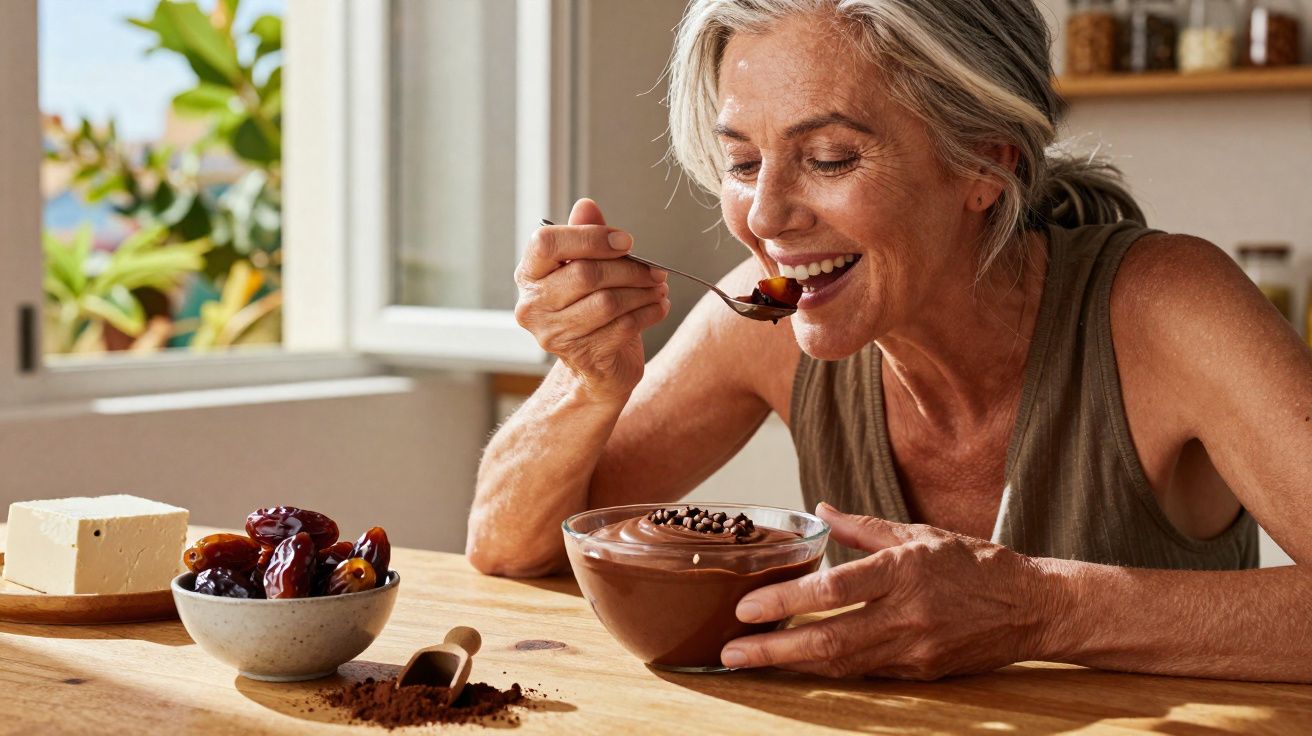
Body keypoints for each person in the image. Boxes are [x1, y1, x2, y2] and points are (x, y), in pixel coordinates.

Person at [467, 0, 1312, 682]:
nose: (764, 219)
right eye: (744, 162)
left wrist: (1041, 607)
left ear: (987, 161)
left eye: (830, 158)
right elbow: (509, 545)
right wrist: (584, 381)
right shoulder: (761, 327)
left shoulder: (1169, 306)